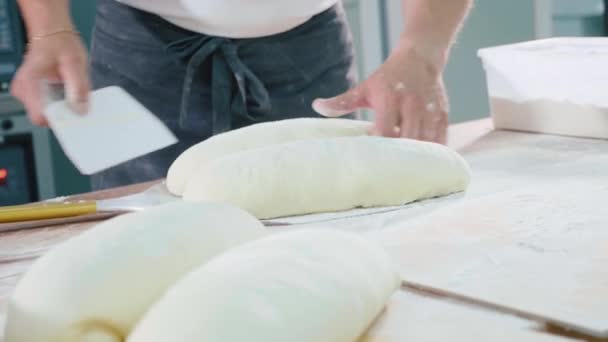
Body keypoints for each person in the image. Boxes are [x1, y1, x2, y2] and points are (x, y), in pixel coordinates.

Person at [12, 0, 472, 190]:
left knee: (312, 240)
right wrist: (47, 27)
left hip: (307, 48)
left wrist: (422, 49)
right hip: (146, 53)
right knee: (148, 240)